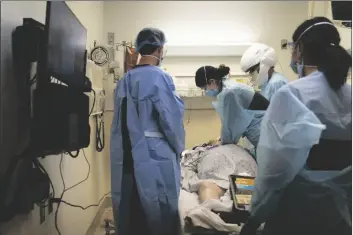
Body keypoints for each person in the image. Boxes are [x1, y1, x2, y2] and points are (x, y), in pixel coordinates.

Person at [240, 17, 352, 235]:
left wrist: (254, 217)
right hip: (341, 213)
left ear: (300, 49)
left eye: (293, 48)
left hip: (298, 211)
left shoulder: (294, 94)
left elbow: (275, 171)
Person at [110, 27, 185, 235]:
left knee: (132, 209)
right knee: (157, 211)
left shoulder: (125, 80)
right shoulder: (160, 78)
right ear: (160, 49)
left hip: (126, 159)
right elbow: (171, 121)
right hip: (154, 158)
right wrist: (180, 148)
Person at [195, 65, 269, 149]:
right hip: (262, 132)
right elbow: (230, 121)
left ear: (212, 81)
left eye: (205, 88)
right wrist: (223, 138)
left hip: (265, 132)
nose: (205, 92)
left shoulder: (229, 92)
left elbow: (232, 123)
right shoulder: (226, 89)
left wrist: (223, 142)